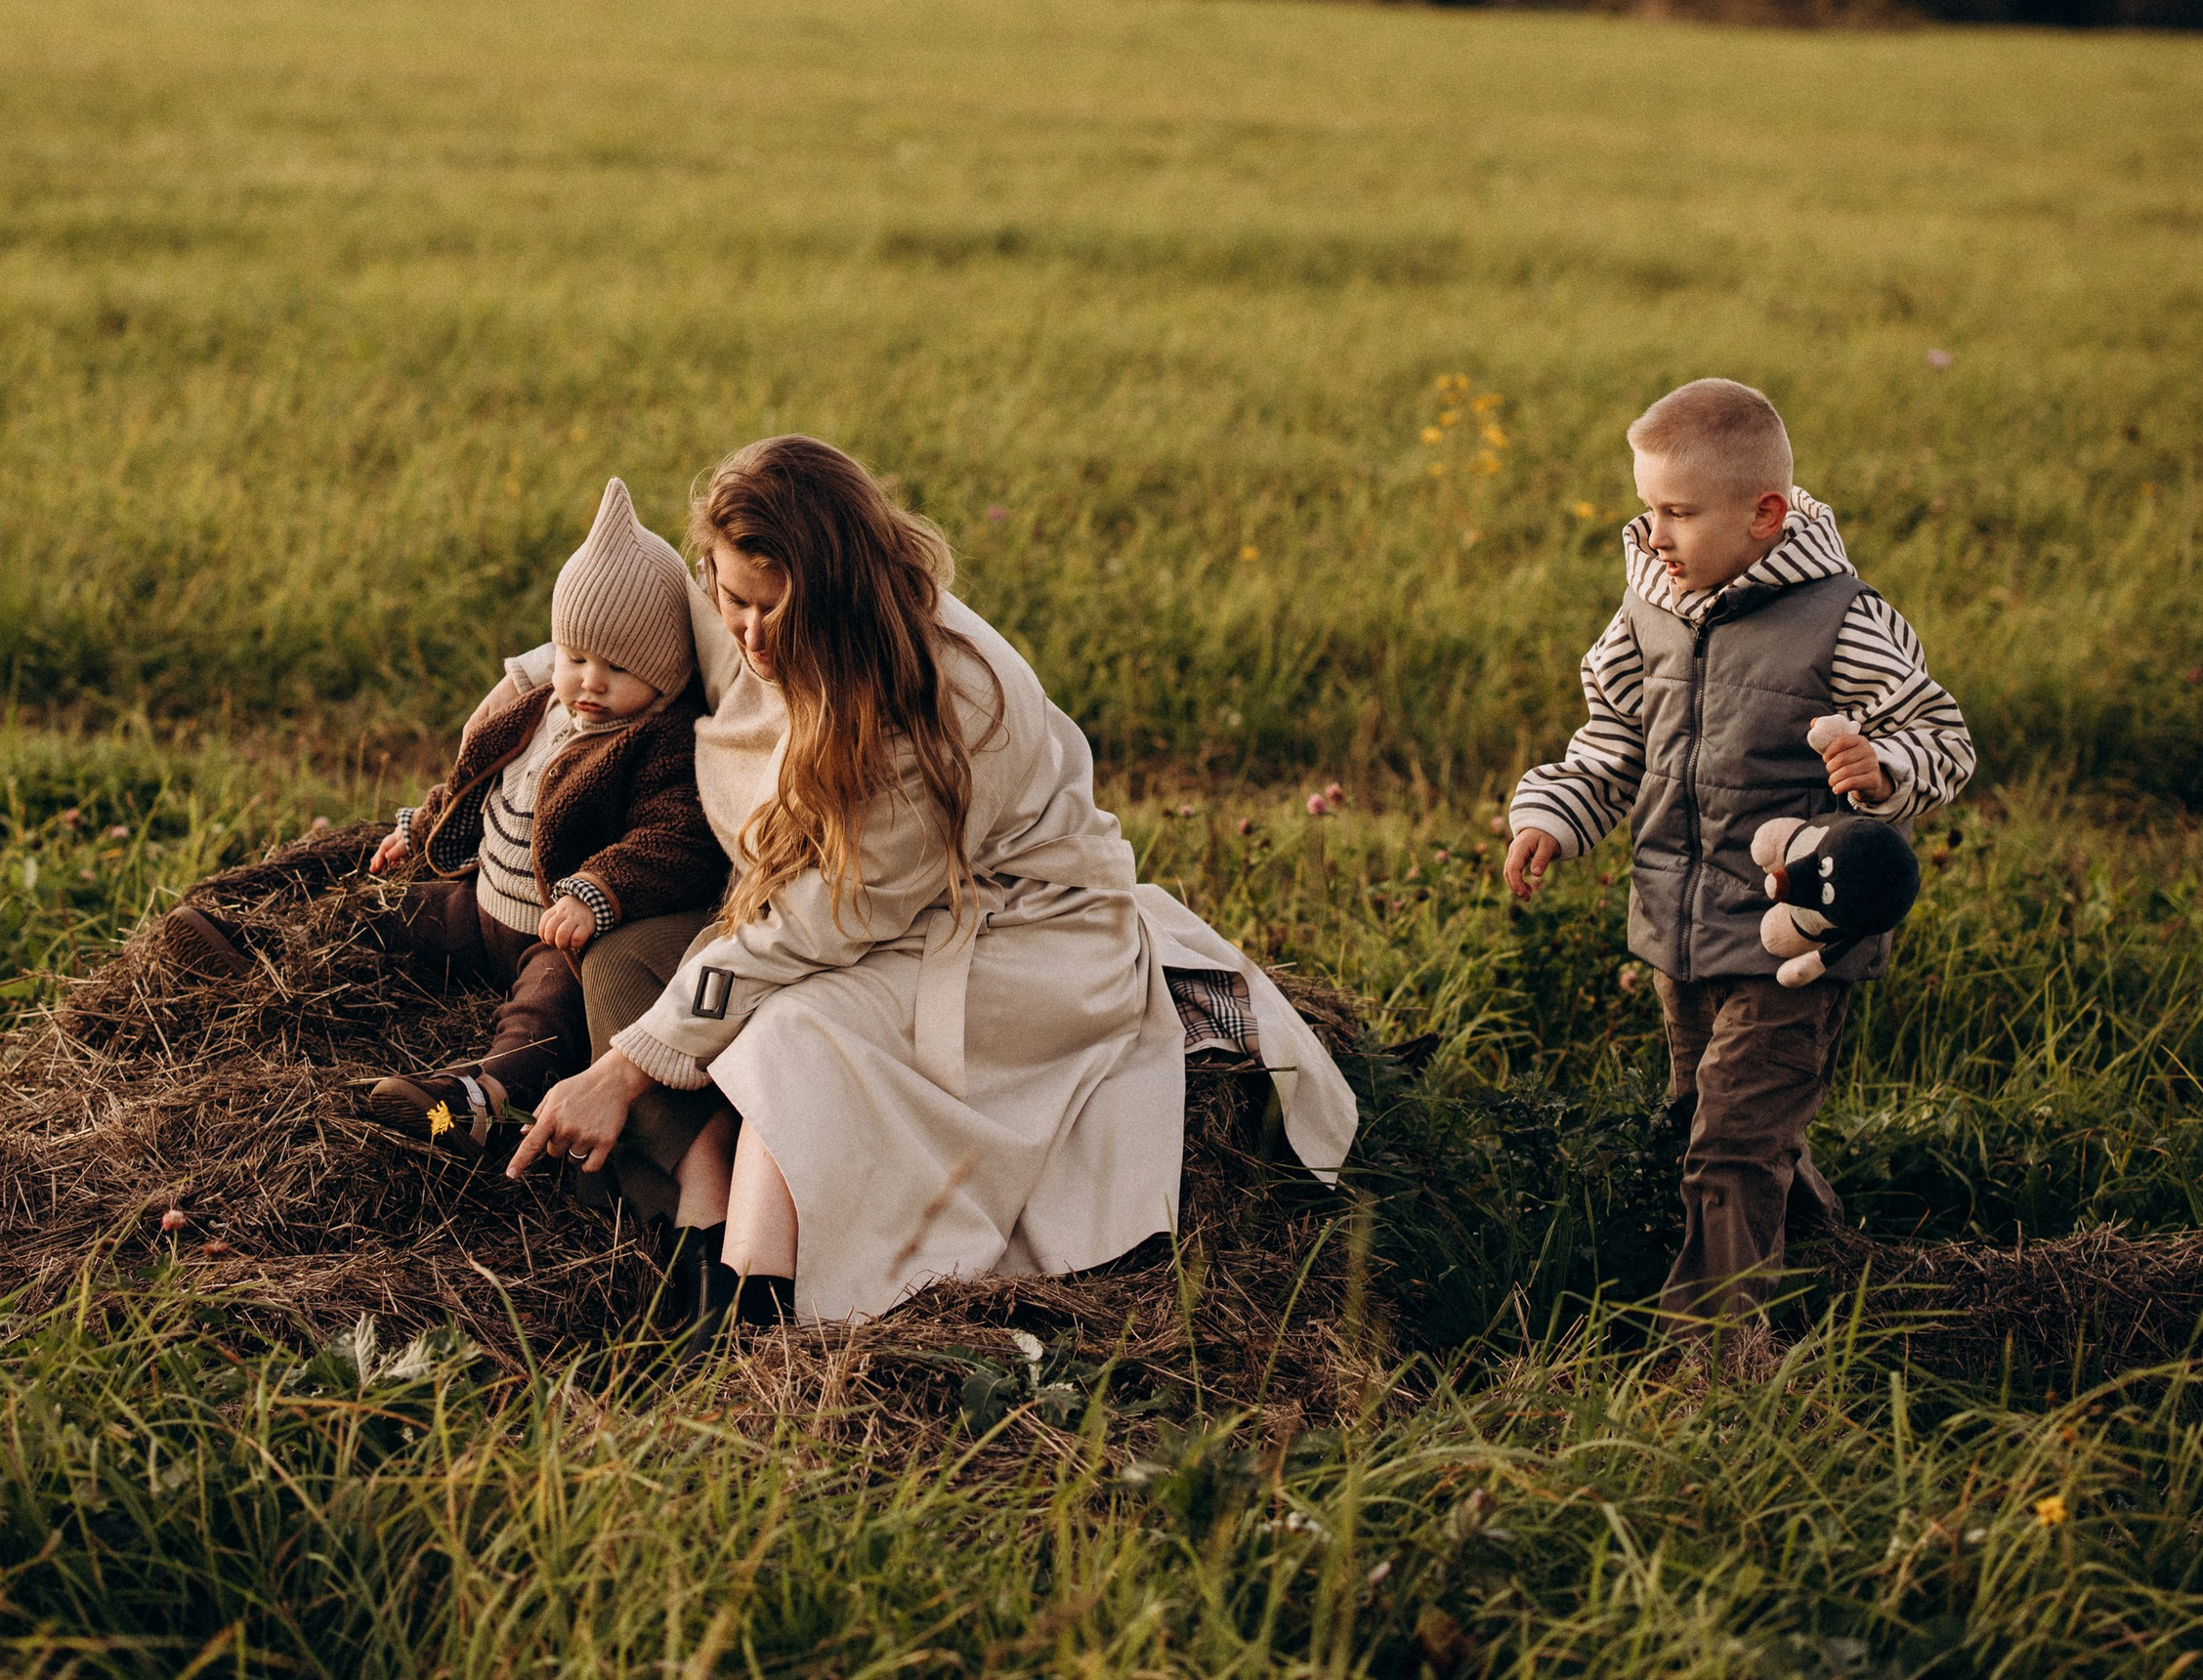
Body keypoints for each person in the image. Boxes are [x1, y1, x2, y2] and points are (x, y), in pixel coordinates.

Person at [507, 435, 1357, 1346]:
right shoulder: (750, 611)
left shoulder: (945, 705)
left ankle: (744, 1331)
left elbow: (819, 923)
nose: (748, 634)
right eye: (732, 598)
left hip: (1019, 938)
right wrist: (519, 685)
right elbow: (650, 636)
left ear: (832, 594)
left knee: (795, 1038)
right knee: (642, 976)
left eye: (772, 611)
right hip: (862, 903)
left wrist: (627, 1068)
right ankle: (701, 1253)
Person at [1503, 376, 1973, 1343]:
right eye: (1649, 509)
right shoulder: (1648, 610)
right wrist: (1552, 814)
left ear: (1764, 515)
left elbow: (1942, 737)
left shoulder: (1842, 622)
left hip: (1794, 936)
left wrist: (1881, 769)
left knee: (1728, 1146)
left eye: (1679, 512)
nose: (1657, 534)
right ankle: (1828, 1265)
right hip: (1681, 923)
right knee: (1708, 1122)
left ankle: (1711, 1367)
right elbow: (1612, 742)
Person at [357, 478, 728, 1153]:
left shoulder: (658, 743)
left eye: (617, 667)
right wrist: (422, 827)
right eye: (575, 658)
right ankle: (257, 957)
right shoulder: (538, 712)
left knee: (542, 1025)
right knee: (390, 923)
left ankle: (470, 1103)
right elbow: (479, 781)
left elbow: (677, 838)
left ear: (668, 673)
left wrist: (599, 893)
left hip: (552, 939)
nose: (589, 681)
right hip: (482, 907)